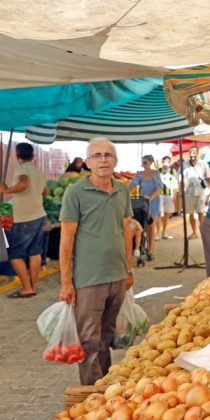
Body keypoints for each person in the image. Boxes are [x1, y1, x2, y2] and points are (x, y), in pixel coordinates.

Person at [59, 137, 134, 385]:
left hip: (118, 275)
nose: (103, 160)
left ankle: (105, 387)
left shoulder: (122, 190)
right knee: (89, 341)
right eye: (97, 156)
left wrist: (129, 268)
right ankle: (92, 394)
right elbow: (66, 241)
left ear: (115, 161)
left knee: (106, 337)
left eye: (107, 155)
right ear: (88, 163)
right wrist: (66, 282)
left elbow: (126, 230)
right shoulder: (75, 193)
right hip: (89, 279)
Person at [1, 143, 48, 298]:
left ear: (17, 156)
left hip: (25, 219)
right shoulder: (38, 171)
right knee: (35, 253)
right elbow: (45, 191)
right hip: (39, 215)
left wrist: (6, 190)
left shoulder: (22, 169)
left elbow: (23, 183)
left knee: (16, 256)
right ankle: (33, 286)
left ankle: (27, 288)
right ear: (33, 156)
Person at [129, 155, 162, 256]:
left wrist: (151, 197)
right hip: (143, 202)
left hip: (153, 201)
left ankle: (150, 249)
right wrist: (124, 192)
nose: (143, 164)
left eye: (145, 162)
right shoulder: (139, 174)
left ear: (151, 162)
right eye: (142, 162)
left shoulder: (155, 173)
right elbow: (132, 185)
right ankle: (150, 246)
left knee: (151, 225)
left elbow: (159, 188)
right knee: (145, 225)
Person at [181, 148, 210, 239]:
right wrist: (180, 190)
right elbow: (181, 178)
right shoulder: (185, 164)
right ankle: (194, 232)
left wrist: (208, 190)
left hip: (201, 191)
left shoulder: (203, 164)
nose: (192, 154)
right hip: (188, 192)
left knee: (201, 212)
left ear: (198, 153)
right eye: (190, 152)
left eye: (194, 152)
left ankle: (203, 232)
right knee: (190, 213)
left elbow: (209, 178)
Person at [158, 156, 177, 240]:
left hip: (169, 195)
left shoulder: (173, 171)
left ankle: (164, 232)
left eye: (167, 161)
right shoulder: (158, 171)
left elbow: (175, 184)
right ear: (162, 162)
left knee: (167, 214)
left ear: (169, 163)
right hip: (159, 195)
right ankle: (158, 232)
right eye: (164, 161)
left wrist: (175, 194)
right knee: (158, 214)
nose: (166, 163)